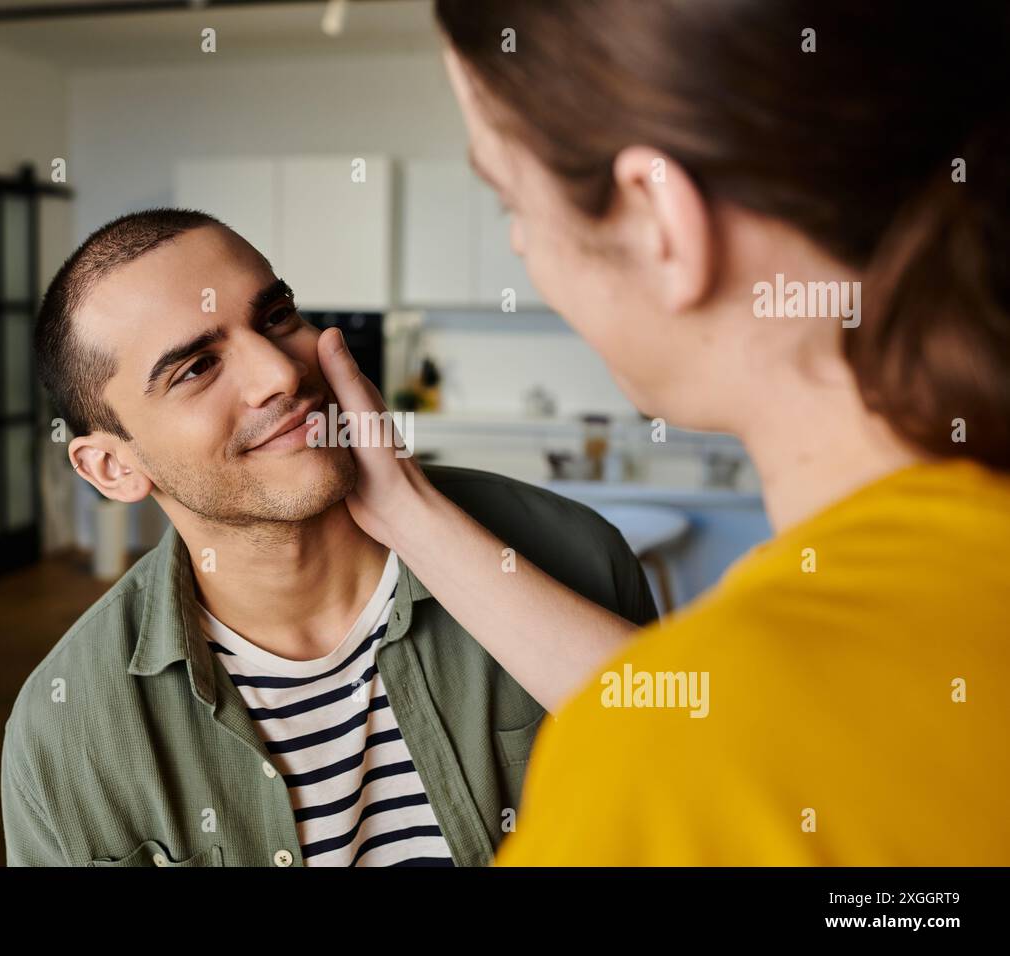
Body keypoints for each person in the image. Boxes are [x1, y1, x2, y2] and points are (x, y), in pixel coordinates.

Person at [312, 1, 1010, 864]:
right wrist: (411, 514)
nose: (525, 246)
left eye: (509, 202)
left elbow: (710, 747)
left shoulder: (655, 786)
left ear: (657, 220)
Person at [0, 209, 656, 867]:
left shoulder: (577, 559)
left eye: (276, 317)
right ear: (114, 467)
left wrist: (412, 513)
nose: (280, 374)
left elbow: (708, 800)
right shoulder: (65, 732)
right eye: (198, 367)